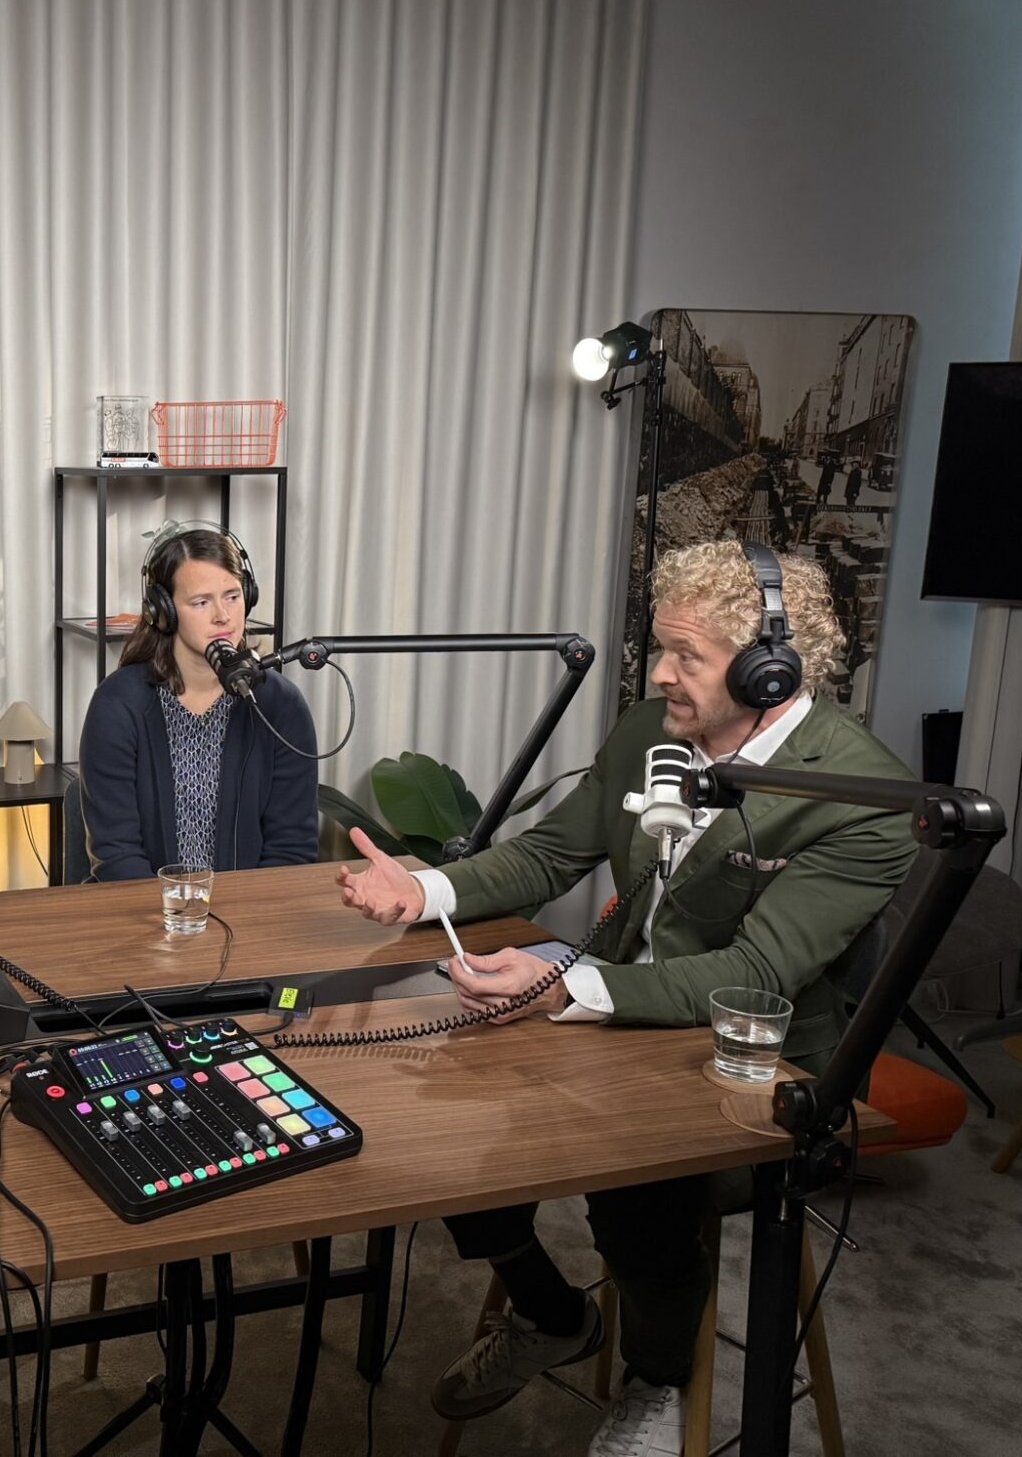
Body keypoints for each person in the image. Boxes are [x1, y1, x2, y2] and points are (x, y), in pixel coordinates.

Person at [338, 540, 917, 1457]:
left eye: (687, 655)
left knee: (639, 1186)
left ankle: (659, 1379)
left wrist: (562, 986)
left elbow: (754, 975)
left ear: (770, 668)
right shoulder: (652, 729)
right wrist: (423, 890)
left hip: (753, 1060)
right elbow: (548, 854)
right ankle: (550, 1313)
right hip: (611, 1009)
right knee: (443, 1109)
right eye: (661, 648)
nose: (660, 674)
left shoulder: (863, 795)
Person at [80, 522, 319, 880]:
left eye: (232, 596)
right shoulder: (118, 704)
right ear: (164, 611)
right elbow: (116, 853)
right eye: (201, 602)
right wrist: (179, 909)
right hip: (142, 906)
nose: (223, 615)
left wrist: (240, 912)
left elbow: (292, 849)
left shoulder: (281, 705)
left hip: (250, 907)